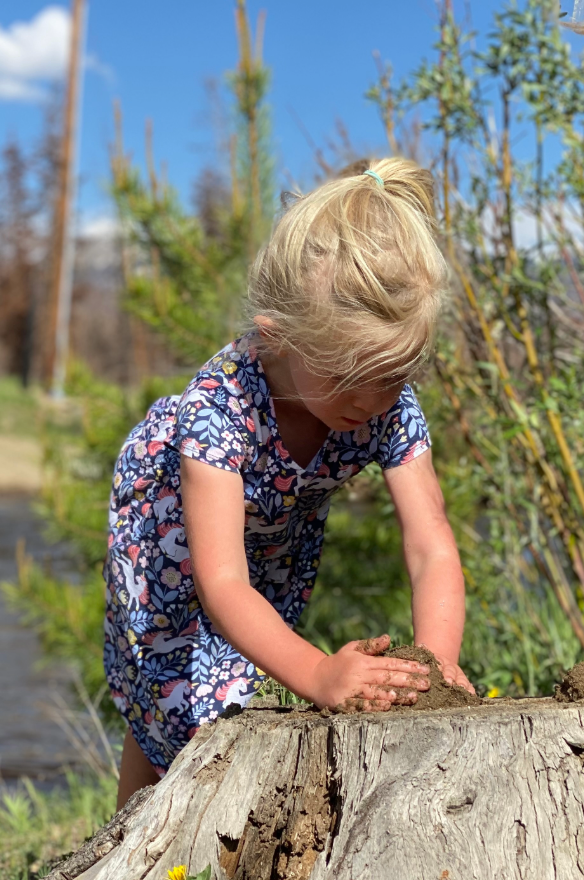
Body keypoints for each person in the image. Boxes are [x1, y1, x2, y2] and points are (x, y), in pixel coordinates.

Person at [104, 157, 472, 810]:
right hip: (168, 525)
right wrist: (318, 672)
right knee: (170, 683)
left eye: (393, 376)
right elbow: (220, 584)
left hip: (271, 530)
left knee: (236, 680)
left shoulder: (384, 399)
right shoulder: (221, 408)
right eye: (345, 376)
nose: (369, 401)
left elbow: (431, 543)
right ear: (278, 338)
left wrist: (436, 665)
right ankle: (130, 834)